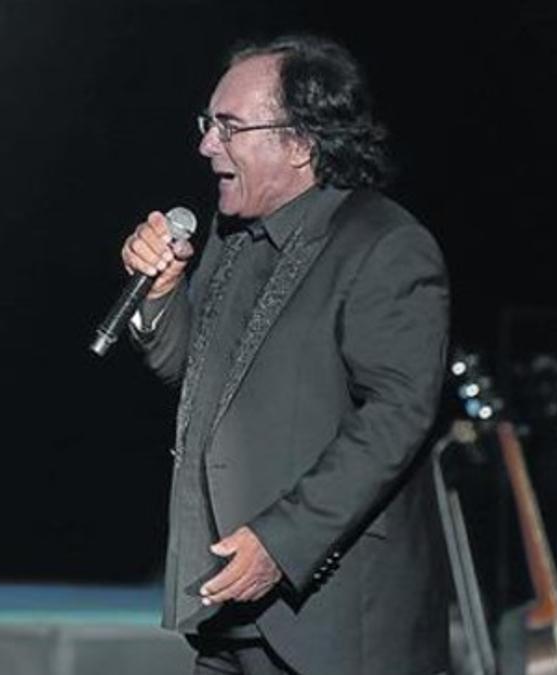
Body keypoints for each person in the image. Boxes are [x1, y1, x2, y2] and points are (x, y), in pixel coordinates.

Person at [121, 35, 450, 674]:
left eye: (229, 127)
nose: (206, 144)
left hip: (333, 627)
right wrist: (161, 298)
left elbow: (397, 416)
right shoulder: (231, 234)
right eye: (207, 124)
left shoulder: (384, 243)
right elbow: (193, 379)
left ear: (301, 143)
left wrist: (281, 541)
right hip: (228, 616)